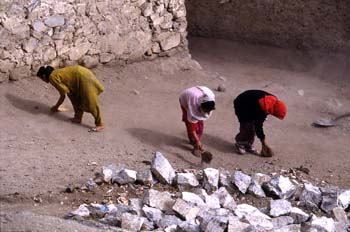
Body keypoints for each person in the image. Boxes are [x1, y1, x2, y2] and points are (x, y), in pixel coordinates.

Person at [37, 65, 105, 132]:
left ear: (44, 76)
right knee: (75, 99)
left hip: (83, 77)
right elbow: (67, 91)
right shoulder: (55, 73)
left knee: (90, 102)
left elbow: (63, 95)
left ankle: (100, 124)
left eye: (42, 79)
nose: (43, 81)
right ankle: (78, 117)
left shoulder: (52, 77)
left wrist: (56, 107)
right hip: (80, 74)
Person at [233, 90, 287, 157]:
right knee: (246, 126)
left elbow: (258, 123)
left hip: (252, 106)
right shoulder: (263, 108)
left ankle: (248, 144)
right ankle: (240, 143)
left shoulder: (272, 102)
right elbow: (258, 126)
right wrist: (263, 141)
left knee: (252, 127)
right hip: (241, 104)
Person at [179, 86, 215, 155]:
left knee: (200, 123)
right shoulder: (192, 104)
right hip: (185, 99)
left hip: (197, 92)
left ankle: (196, 141)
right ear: (200, 106)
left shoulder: (210, 99)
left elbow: (202, 115)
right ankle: (193, 141)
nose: (207, 113)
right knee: (189, 122)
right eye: (205, 111)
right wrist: (197, 141)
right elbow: (191, 127)